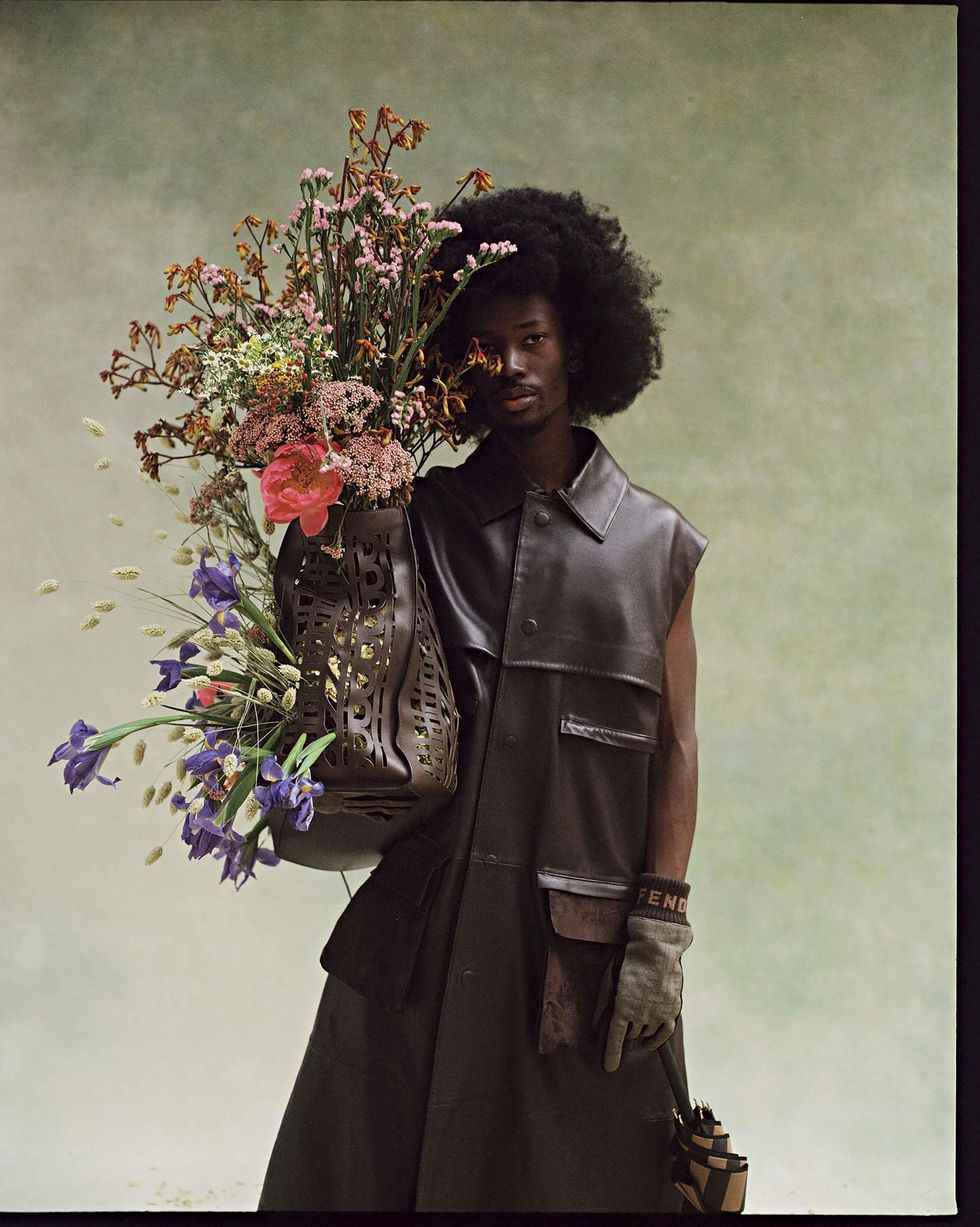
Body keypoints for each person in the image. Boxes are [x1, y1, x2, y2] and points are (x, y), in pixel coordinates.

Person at [258, 186, 708, 1212]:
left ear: (578, 346)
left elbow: (676, 744)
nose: (507, 364)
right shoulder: (410, 519)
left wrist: (660, 927)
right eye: (482, 344)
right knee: (365, 1167)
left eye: (532, 337)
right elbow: (332, 641)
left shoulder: (656, 549)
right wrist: (322, 482)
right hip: (419, 927)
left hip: (578, 952)